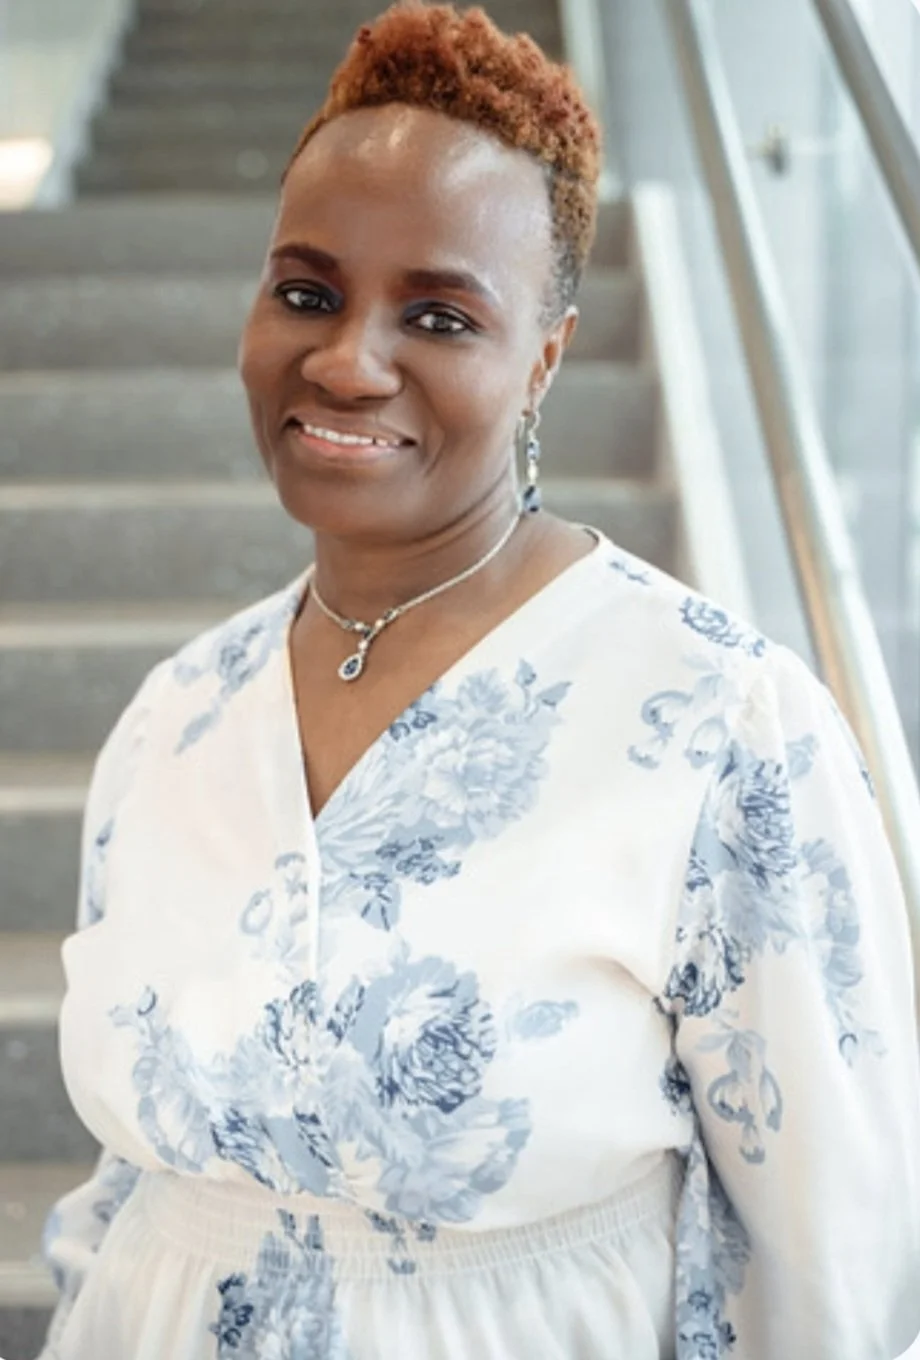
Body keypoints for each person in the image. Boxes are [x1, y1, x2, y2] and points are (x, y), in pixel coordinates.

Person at [39, 3, 920, 1358]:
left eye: (441, 314)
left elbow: (830, 1265)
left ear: (545, 360)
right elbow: (125, 1188)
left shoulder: (721, 728)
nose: (347, 360)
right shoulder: (175, 716)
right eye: (307, 290)